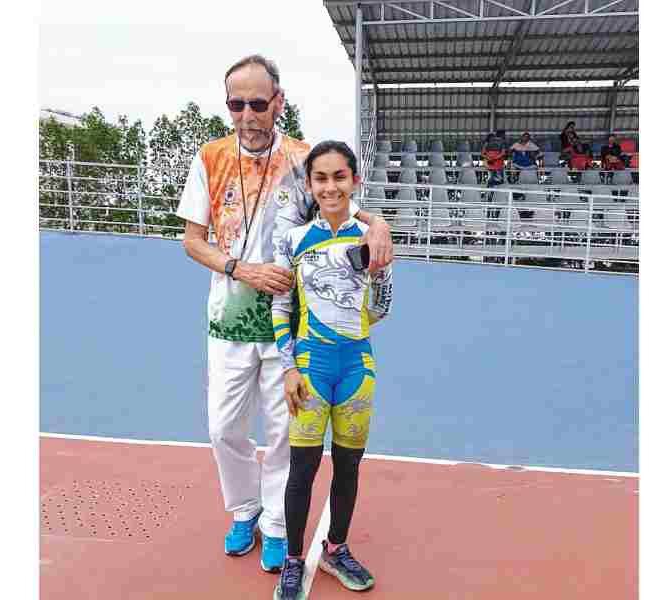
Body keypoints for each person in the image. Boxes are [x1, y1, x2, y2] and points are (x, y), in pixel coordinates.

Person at [177, 54, 394, 574]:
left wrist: (376, 218)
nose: (247, 114)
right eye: (236, 103)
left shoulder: (300, 158)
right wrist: (241, 269)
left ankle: (276, 524)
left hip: (290, 323)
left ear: (277, 101)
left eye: (257, 102)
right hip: (228, 317)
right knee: (223, 426)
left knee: (281, 431)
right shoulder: (209, 157)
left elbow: (334, 194)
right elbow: (192, 241)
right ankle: (244, 510)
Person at [271, 141, 392, 600]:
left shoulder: (375, 239)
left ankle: (336, 548)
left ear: (354, 180)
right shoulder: (294, 241)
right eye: (320, 178)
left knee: (348, 466)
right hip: (310, 367)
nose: (330, 186)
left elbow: (382, 309)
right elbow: (281, 305)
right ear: (309, 185)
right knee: (301, 468)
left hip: (357, 366)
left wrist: (377, 272)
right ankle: (294, 559)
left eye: (339, 176)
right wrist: (288, 368)